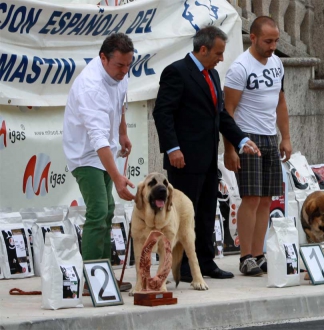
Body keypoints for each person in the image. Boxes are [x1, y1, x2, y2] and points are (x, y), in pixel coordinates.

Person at [153, 26, 259, 281]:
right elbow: (162, 113)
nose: (222, 58)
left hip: (209, 158)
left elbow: (220, 115)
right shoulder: (176, 72)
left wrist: (241, 139)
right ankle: (184, 266)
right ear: (203, 49)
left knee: (205, 212)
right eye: (218, 53)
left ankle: (205, 261)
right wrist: (173, 148)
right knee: (183, 214)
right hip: (184, 160)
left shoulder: (211, 75)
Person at [62, 33, 135, 291]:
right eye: (119, 66)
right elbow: (97, 140)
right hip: (85, 153)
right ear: (103, 58)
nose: (124, 71)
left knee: (107, 211)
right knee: (97, 213)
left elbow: (121, 104)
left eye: (129, 65)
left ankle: (103, 273)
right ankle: (90, 280)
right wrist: (117, 178)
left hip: (105, 148)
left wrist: (123, 132)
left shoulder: (120, 73)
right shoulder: (90, 86)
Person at [223, 16, 292, 276]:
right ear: (252, 38)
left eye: (276, 40)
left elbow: (281, 102)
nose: (273, 46)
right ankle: (245, 256)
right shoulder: (240, 67)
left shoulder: (276, 63)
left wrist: (285, 137)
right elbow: (227, 112)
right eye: (268, 41)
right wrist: (230, 148)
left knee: (266, 199)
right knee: (250, 198)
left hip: (269, 136)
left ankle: (260, 253)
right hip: (246, 135)